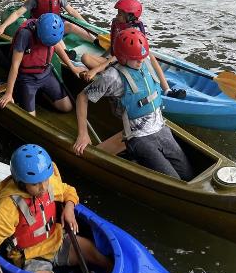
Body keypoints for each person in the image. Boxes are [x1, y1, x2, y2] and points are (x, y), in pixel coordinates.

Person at [73, 28, 194, 181]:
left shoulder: (145, 61)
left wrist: (168, 89)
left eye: (142, 56)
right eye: (136, 58)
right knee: (174, 180)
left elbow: (149, 63)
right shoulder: (112, 77)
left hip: (161, 129)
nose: (141, 61)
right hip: (139, 138)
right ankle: (134, 159)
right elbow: (82, 97)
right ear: (122, 57)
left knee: (188, 175)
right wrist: (83, 134)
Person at [0, 144, 112, 273]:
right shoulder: (9, 205)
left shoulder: (49, 183)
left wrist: (69, 208)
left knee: (91, 251)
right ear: (21, 183)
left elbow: (69, 190)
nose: (43, 188)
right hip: (32, 255)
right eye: (35, 184)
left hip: (57, 240)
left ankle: (109, 269)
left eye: (45, 180)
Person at [79, 0, 186, 100]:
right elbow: (113, 47)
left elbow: (123, 55)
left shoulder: (134, 31)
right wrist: (101, 58)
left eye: (120, 14)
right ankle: (107, 73)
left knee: (151, 57)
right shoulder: (117, 23)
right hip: (115, 60)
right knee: (85, 58)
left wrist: (96, 69)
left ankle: (167, 90)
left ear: (130, 16)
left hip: (128, 62)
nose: (117, 16)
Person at [0, 13, 82, 116]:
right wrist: (8, 93)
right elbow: (15, 65)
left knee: (67, 107)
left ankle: (41, 93)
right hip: (27, 78)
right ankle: (21, 92)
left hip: (46, 73)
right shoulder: (25, 35)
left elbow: (57, 47)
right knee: (30, 117)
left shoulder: (51, 30)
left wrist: (72, 67)